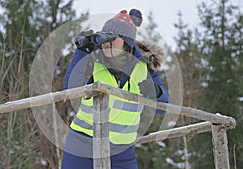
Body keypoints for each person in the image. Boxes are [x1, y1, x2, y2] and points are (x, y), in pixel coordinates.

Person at [61, 9, 170, 169]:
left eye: (112, 37)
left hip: (122, 152)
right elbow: (70, 88)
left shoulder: (143, 69)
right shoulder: (93, 61)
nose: (106, 43)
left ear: (126, 42)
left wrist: (152, 90)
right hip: (82, 143)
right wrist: (81, 52)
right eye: (104, 37)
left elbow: (164, 106)